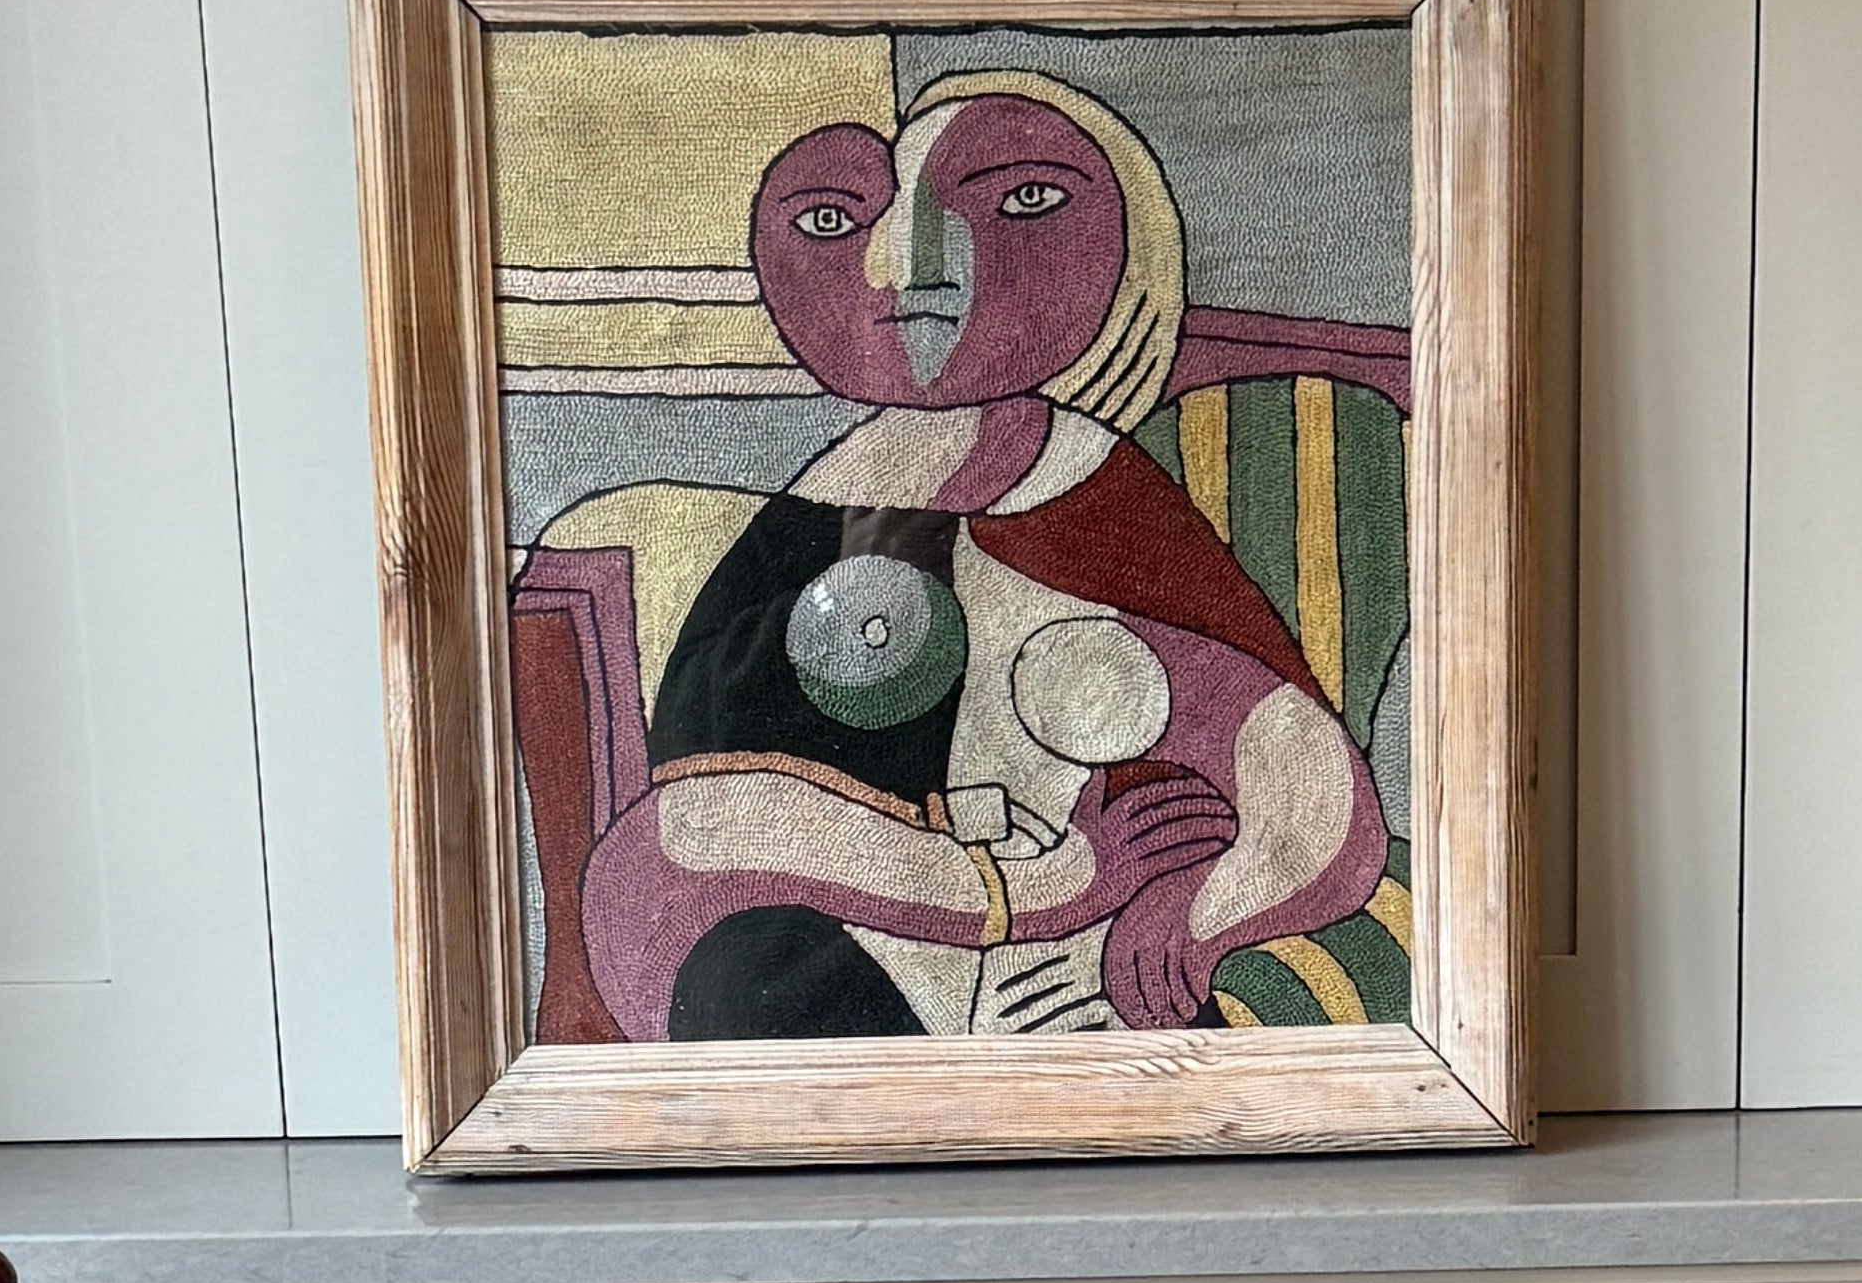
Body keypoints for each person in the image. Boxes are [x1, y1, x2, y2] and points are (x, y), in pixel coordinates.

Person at [572, 70, 1383, 1040]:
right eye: (836, 219)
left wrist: (1196, 915)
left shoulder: (1095, 499)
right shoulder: (819, 510)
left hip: (1079, 988)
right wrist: (1044, 884)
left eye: (1025, 201)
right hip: (868, 960)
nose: (912, 267)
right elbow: (694, 829)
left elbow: (1309, 786)